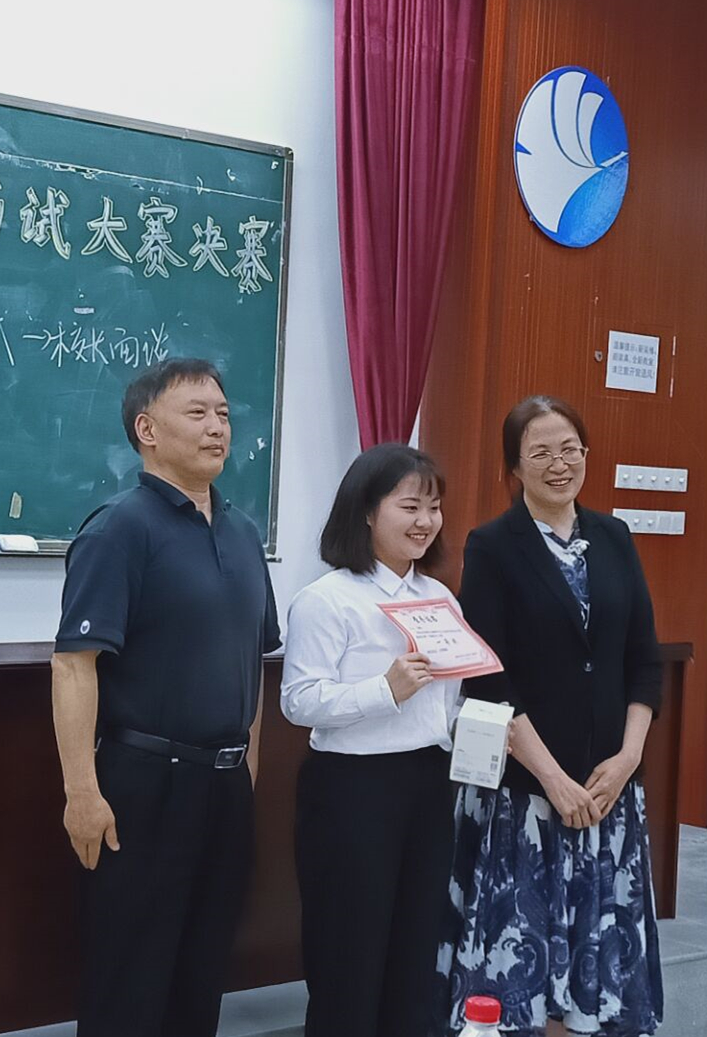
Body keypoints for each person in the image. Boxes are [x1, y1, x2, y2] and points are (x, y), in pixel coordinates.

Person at [50, 357, 282, 1037]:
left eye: (224, 414)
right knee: (131, 981)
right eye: (197, 413)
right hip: (144, 786)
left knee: (200, 977)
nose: (218, 427)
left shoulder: (242, 532)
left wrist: (246, 770)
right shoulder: (119, 528)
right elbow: (73, 666)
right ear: (146, 430)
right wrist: (82, 792)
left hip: (223, 788)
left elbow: (252, 661)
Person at [441, 395, 664, 1037]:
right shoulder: (492, 546)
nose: (558, 464)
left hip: (608, 793)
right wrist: (554, 781)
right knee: (523, 982)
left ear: (587, 454)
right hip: (527, 802)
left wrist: (627, 760)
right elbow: (489, 680)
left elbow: (644, 659)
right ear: (514, 467)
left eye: (570, 449)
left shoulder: (614, 536)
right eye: (539, 453)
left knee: (601, 979)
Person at [281, 444, 463, 1037]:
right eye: (410, 507)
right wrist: (384, 690)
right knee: (349, 957)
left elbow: (447, 706)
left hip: (428, 787)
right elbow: (298, 702)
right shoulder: (328, 599)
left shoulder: (440, 599)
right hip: (352, 792)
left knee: (416, 953)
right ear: (366, 511)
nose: (425, 521)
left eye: (433, 507)